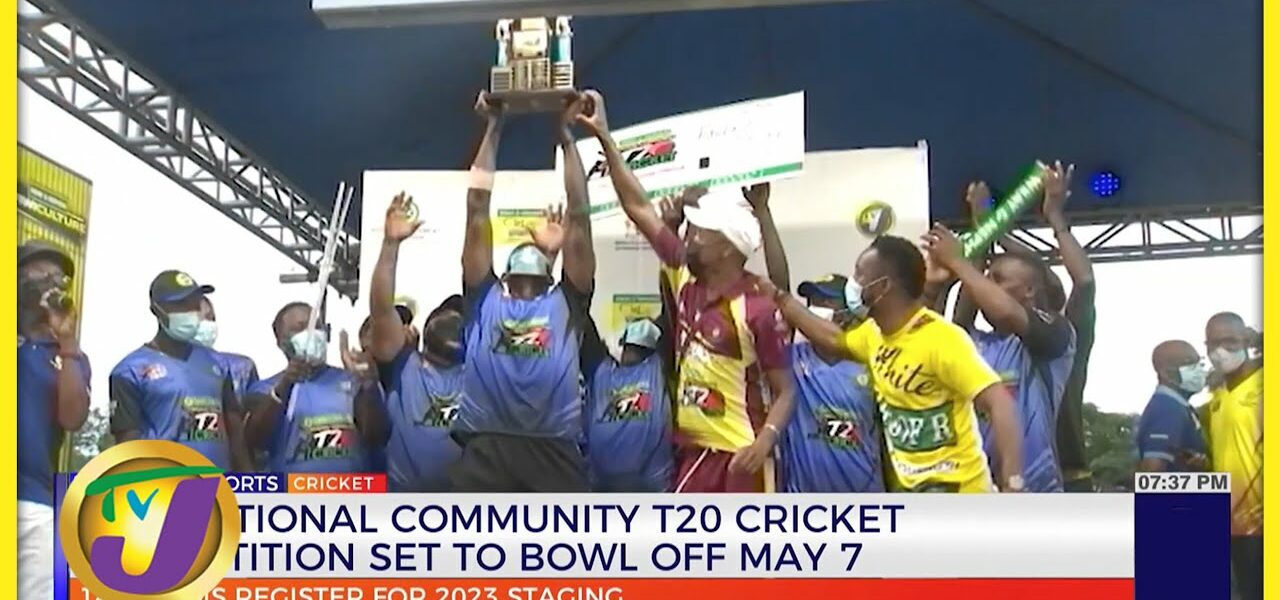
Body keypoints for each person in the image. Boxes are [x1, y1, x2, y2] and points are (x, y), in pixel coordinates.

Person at [576, 90, 795, 493]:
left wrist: (765, 441)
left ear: (728, 247)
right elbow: (638, 207)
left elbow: (785, 390)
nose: (688, 235)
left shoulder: (757, 307)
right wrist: (605, 136)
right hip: (693, 454)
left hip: (741, 457)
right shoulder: (683, 274)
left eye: (699, 231)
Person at [760, 234, 1024, 493]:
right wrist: (780, 298)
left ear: (883, 286)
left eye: (860, 274)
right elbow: (833, 340)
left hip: (961, 492)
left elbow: (1000, 403)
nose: (854, 283)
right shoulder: (872, 335)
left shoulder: (941, 339)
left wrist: (1012, 483)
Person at [450, 91, 596, 492]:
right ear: (506, 275)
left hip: (553, 451)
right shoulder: (484, 297)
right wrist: (494, 128)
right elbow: (477, 206)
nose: (527, 285)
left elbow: (580, 216)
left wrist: (566, 139)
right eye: (521, 280)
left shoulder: (565, 302)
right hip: (487, 447)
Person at [964, 163, 1098, 492]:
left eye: (998, 280)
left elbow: (1082, 281)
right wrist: (984, 230)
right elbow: (971, 291)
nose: (987, 286)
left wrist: (1054, 217)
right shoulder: (976, 343)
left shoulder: (1060, 334)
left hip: (1061, 480)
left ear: (1030, 292)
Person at [369, 194, 469, 491]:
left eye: (461, 322)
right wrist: (390, 245)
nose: (453, 325)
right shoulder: (403, 365)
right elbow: (381, 309)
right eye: (446, 317)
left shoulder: (481, 374)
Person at [109, 270, 252, 471]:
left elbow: (235, 435)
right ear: (156, 310)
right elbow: (127, 445)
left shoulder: (219, 364)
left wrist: (250, 480)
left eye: (195, 303)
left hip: (217, 483)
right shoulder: (129, 371)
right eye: (181, 304)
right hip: (163, 482)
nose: (191, 311)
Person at [17, 242, 90, 600]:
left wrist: (67, 344)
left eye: (58, 277)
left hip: (34, 502)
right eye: (39, 273)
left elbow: (73, 418)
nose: (50, 282)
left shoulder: (69, 356)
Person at [244, 302, 388, 473]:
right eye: (300, 328)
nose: (312, 333)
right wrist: (285, 385)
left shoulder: (352, 380)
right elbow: (255, 440)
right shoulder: (264, 389)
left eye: (317, 326)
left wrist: (369, 386)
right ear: (282, 342)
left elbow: (376, 437)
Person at [1203, 312, 1262, 600]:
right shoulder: (1217, 396)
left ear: (1247, 340)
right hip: (1232, 523)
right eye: (1212, 344)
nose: (1220, 351)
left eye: (1229, 342)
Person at [581, 315, 674, 492]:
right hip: (636, 483)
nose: (629, 353)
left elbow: (585, 327)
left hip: (631, 482)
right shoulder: (657, 369)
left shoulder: (656, 368)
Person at [1135, 341, 1209, 472]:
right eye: (1189, 364)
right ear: (1165, 373)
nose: (1199, 370)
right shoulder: (1167, 409)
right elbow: (1152, 474)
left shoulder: (1179, 407)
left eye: (1199, 363)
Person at [194, 296, 260, 412]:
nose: (207, 323)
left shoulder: (240, 368)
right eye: (197, 319)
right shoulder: (162, 367)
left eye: (210, 318)